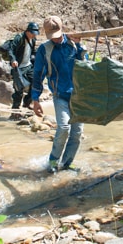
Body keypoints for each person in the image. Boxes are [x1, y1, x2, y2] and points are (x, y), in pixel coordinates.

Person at [32, 16, 88, 173]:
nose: (55, 40)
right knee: (64, 128)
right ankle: (53, 161)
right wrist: (35, 100)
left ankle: (67, 163)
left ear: (62, 31)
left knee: (77, 133)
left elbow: (85, 65)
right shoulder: (45, 49)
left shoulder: (73, 45)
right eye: (52, 37)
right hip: (60, 95)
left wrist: (80, 46)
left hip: (78, 95)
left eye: (57, 36)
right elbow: (38, 74)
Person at [7, 22, 39, 120]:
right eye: (32, 33)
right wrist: (13, 60)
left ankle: (27, 103)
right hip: (18, 67)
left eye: (35, 33)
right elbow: (10, 50)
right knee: (18, 89)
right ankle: (15, 111)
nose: (34, 35)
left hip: (28, 66)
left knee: (35, 84)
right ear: (27, 31)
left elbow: (33, 52)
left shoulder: (33, 39)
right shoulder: (19, 38)